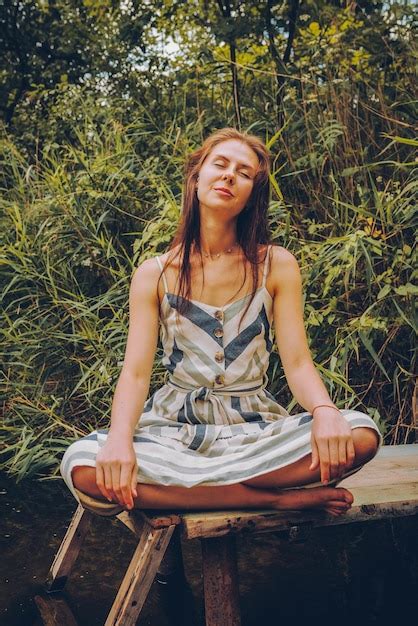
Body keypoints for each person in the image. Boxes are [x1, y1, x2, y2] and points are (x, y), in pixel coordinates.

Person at [60, 127, 383, 518]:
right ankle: (273, 500)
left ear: (251, 196)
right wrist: (119, 440)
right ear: (196, 177)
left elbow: (297, 363)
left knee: (361, 435)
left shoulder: (275, 265)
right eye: (220, 164)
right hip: (175, 430)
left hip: (254, 429)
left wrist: (325, 410)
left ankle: (206, 487)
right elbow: (135, 373)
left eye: (244, 172)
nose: (230, 175)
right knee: (84, 467)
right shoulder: (155, 274)